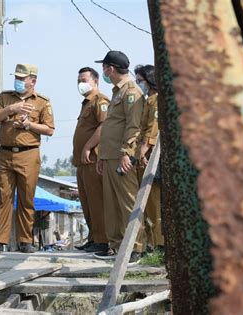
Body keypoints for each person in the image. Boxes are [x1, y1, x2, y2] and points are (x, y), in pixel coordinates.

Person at [0, 64, 55, 254]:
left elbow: (49, 129)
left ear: (33, 80)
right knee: (3, 198)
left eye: (22, 78)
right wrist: (11, 108)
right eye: (16, 76)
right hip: (5, 154)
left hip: (29, 154)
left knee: (26, 198)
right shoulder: (5, 97)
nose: (17, 80)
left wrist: (29, 125)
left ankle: (25, 241)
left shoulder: (42, 102)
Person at [93, 51, 146, 261]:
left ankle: (136, 248)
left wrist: (126, 152)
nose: (104, 71)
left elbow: (134, 126)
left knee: (128, 203)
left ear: (110, 68)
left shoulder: (131, 92)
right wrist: (101, 156)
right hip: (109, 156)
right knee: (112, 204)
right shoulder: (117, 92)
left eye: (104, 67)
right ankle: (115, 246)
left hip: (121, 156)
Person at [72, 67, 110, 253]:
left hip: (93, 159)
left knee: (96, 202)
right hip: (81, 162)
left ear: (95, 81)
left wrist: (87, 147)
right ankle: (93, 237)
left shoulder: (100, 101)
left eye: (84, 79)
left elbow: (104, 126)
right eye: (79, 80)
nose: (81, 83)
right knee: (87, 202)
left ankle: (102, 240)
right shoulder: (85, 103)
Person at [134, 64, 164, 251]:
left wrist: (142, 152)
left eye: (140, 81)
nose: (139, 84)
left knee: (154, 202)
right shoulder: (148, 99)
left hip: (150, 156)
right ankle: (152, 242)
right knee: (146, 206)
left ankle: (160, 243)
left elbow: (152, 130)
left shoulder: (156, 100)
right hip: (144, 154)